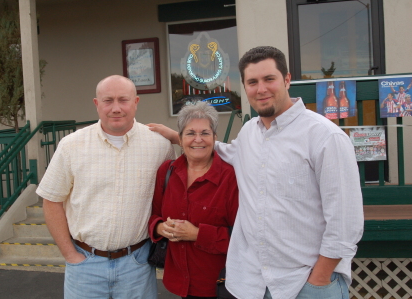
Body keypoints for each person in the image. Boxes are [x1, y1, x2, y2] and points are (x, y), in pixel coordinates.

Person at [148, 46, 364, 299]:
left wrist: (319, 278)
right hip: (253, 284)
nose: (261, 89)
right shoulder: (250, 133)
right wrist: (178, 136)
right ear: (244, 87)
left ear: (286, 79)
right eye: (252, 82)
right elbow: (217, 149)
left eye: (269, 79)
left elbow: (345, 223)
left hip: (305, 284)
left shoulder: (325, 137)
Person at [36, 75, 175, 299]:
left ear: (136, 102)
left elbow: (172, 196)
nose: (116, 108)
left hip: (137, 266)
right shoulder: (71, 145)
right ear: (96, 104)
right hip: (85, 266)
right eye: (108, 100)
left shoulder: (160, 146)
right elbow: (51, 200)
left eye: (123, 100)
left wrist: (178, 137)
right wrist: (71, 255)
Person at [148, 101, 239, 299]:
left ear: (215, 137)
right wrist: (160, 228)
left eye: (205, 133)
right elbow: (153, 216)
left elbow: (243, 237)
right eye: (190, 133)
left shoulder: (230, 177)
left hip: (220, 286)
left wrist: (198, 234)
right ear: (180, 138)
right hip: (181, 283)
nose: (198, 139)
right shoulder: (167, 172)